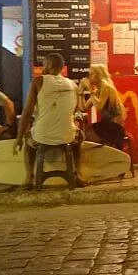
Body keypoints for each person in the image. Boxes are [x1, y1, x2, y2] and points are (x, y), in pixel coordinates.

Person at [14, 53, 83, 188]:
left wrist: (19, 138)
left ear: (49, 65)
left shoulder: (38, 81)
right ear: (62, 67)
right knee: (80, 136)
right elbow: (75, 111)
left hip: (41, 137)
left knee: (28, 137)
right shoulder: (73, 84)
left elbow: (27, 113)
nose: (42, 68)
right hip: (68, 137)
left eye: (44, 65)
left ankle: (29, 176)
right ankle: (79, 174)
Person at [79, 64, 127, 148]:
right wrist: (80, 93)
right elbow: (83, 108)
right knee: (83, 133)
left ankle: (103, 153)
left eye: (91, 74)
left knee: (84, 135)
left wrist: (90, 90)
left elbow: (99, 106)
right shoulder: (97, 90)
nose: (89, 77)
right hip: (106, 124)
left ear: (99, 75)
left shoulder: (106, 87)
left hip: (114, 127)